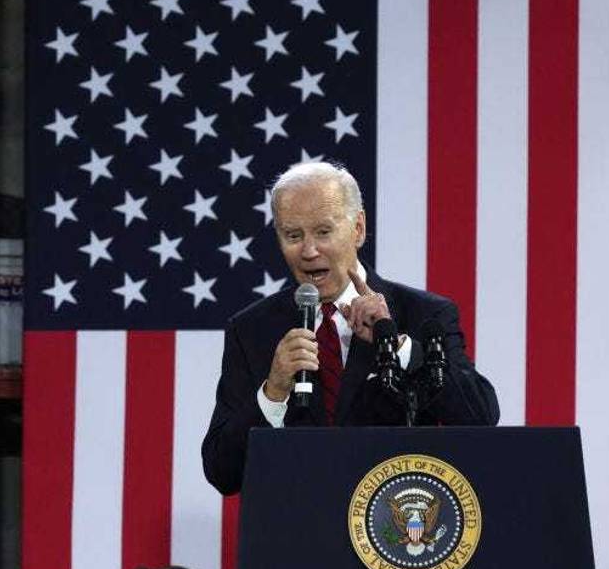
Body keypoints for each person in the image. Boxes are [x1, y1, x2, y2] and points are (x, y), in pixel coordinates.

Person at [200, 162, 499, 495]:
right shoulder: (253, 329)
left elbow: (480, 416)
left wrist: (397, 344)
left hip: (391, 529)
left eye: (323, 232)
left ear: (358, 228)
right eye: (293, 236)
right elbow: (221, 471)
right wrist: (273, 392)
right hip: (294, 534)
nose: (309, 251)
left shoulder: (423, 315)